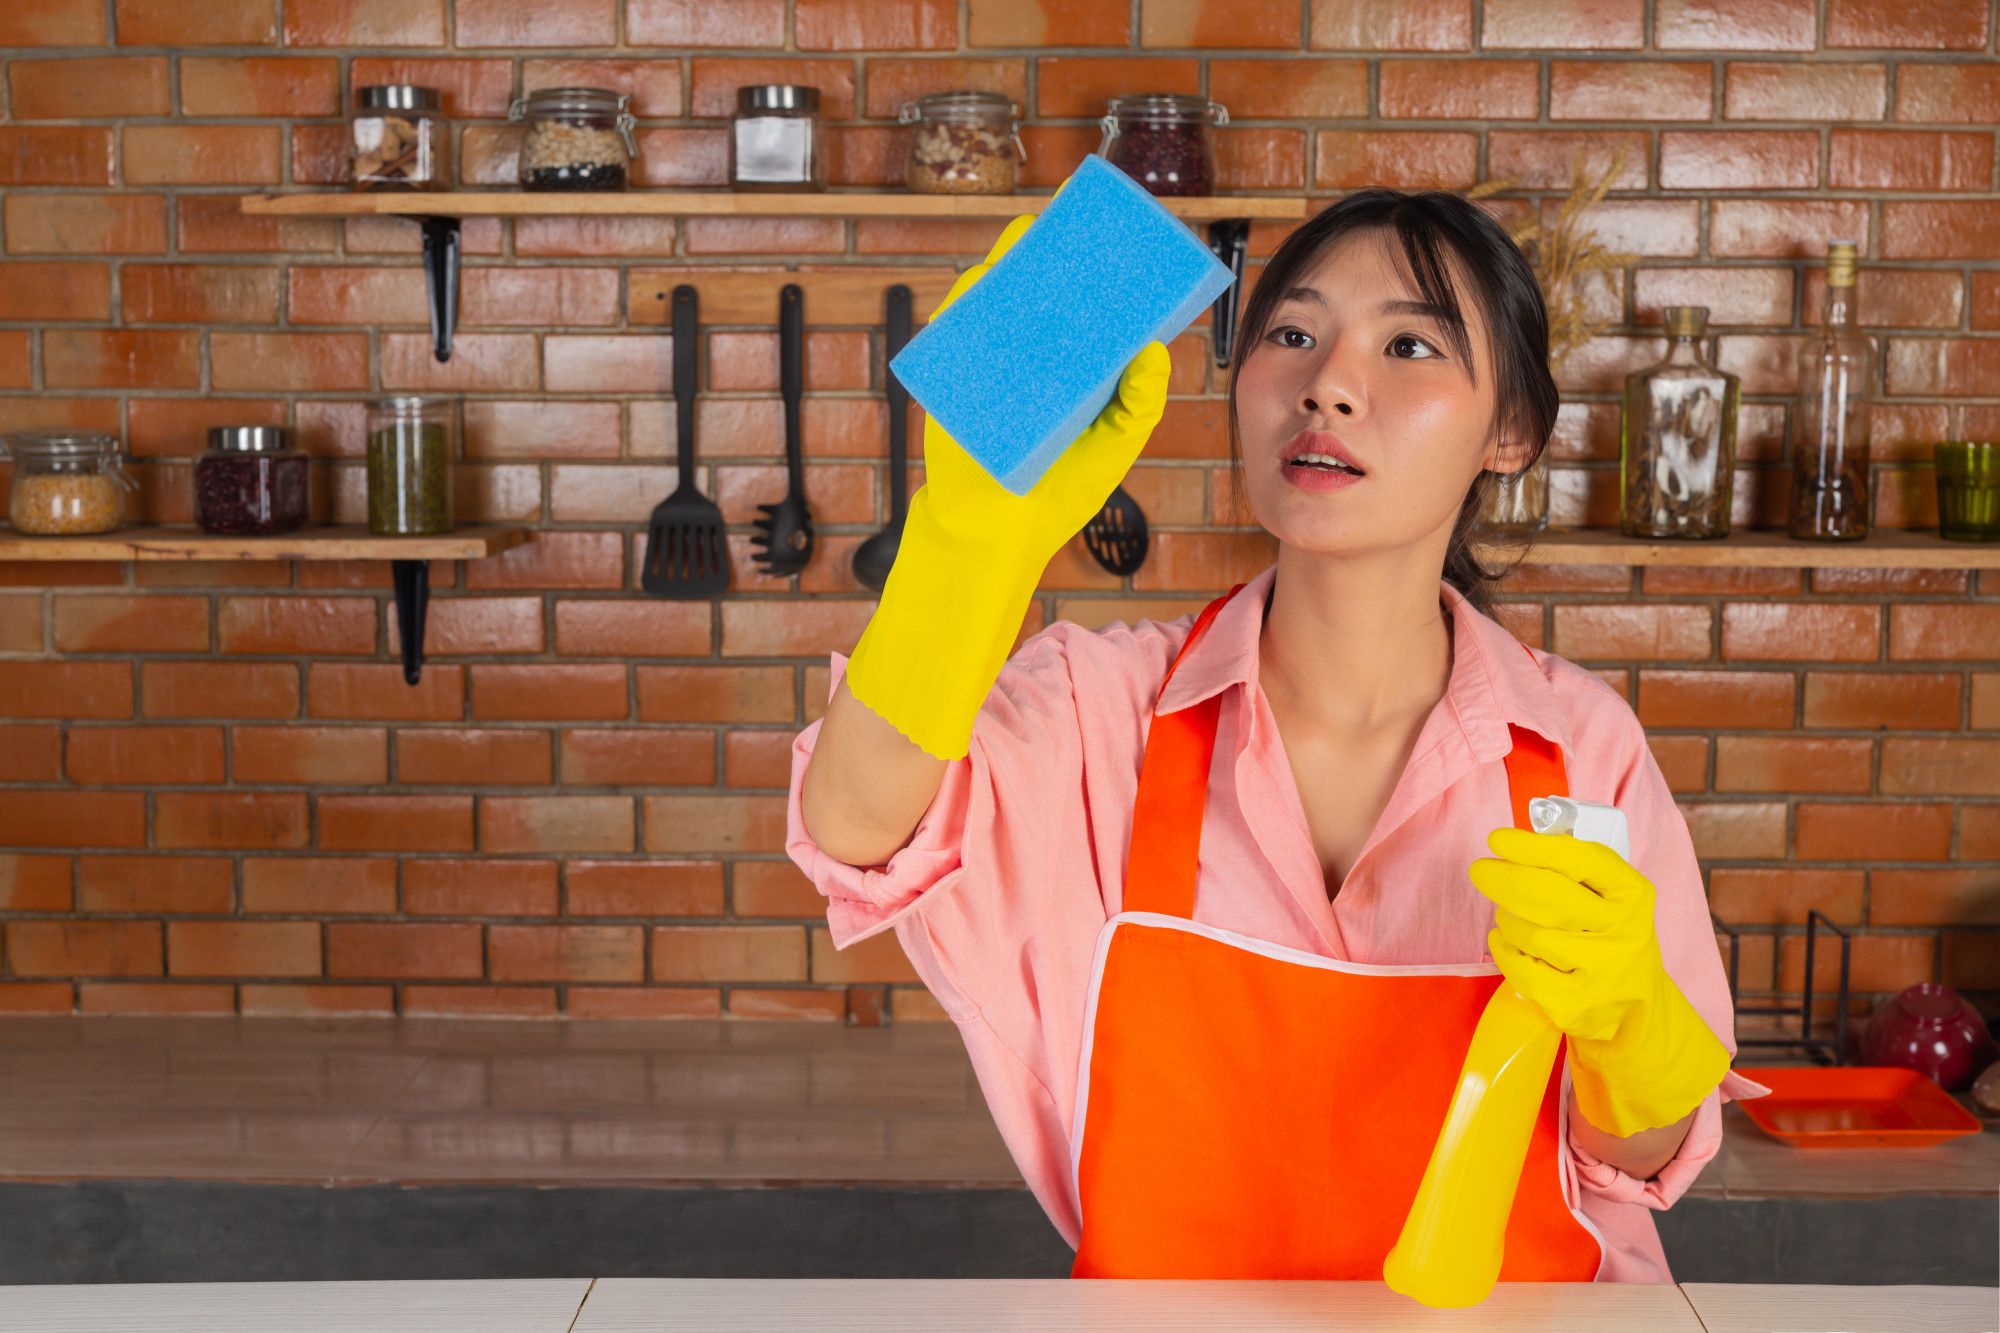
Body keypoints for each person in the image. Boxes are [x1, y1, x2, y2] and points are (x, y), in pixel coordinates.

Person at [787, 189, 1759, 1283]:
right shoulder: (1098, 708)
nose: (1327, 384)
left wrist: (1631, 1028)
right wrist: (966, 540)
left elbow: (1640, 1159)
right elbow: (856, 824)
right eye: (1292, 334)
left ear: (1511, 433)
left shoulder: (1581, 747)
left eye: (1408, 345)